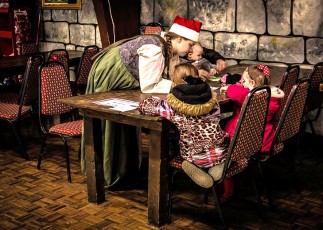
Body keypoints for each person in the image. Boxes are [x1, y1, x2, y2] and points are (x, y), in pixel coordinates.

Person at [81, 15, 203, 189]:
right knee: (109, 122)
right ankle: (107, 174)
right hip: (109, 74)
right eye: (190, 44)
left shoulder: (168, 49)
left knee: (125, 127)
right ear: (179, 38)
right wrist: (177, 86)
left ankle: (125, 171)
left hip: (122, 78)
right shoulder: (155, 48)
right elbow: (149, 85)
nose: (191, 49)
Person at [139, 63, 230, 188]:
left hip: (194, 155)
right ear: (198, 78)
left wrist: (155, 99)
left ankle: (190, 165)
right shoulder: (213, 102)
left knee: (186, 155)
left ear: (175, 84)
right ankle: (220, 163)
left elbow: (146, 106)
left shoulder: (173, 108)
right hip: (221, 150)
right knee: (219, 150)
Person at [220, 64, 285, 202]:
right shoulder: (272, 97)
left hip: (241, 140)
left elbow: (235, 91)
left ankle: (228, 190)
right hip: (264, 140)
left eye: (243, 81)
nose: (241, 84)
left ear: (253, 83)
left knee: (222, 151)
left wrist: (228, 87)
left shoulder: (249, 96)